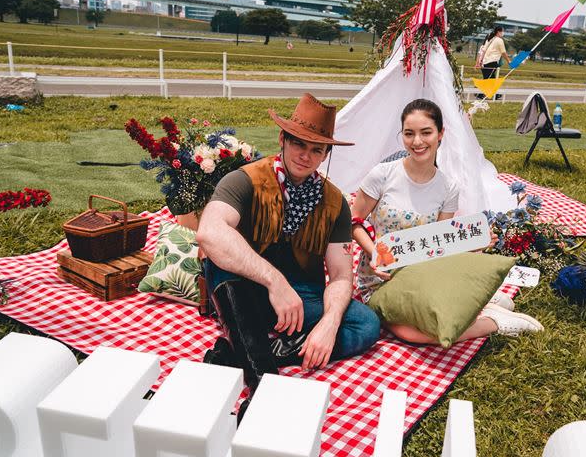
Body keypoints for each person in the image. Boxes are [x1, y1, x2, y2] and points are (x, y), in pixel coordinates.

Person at [196, 93, 381, 417]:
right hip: (245, 287)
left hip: (301, 297)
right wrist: (274, 280)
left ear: (325, 154)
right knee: (219, 259)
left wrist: (328, 323)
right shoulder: (245, 180)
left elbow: (340, 275)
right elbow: (209, 231)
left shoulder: (335, 202)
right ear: (283, 138)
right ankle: (264, 385)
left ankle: (239, 352)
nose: (306, 156)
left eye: (316, 149)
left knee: (364, 324)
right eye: (299, 144)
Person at [350, 98, 544, 345]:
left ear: (440, 134)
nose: (417, 142)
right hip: (378, 278)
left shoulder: (448, 188)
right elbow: (353, 221)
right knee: (409, 333)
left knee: (431, 323)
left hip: (421, 274)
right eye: (409, 134)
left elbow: (438, 243)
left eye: (426, 133)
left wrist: (470, 244)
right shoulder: (383, 174)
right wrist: (374, 254)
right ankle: (492, 321)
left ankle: (490, 312)